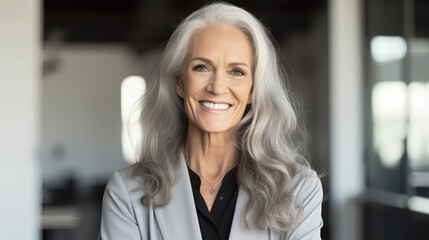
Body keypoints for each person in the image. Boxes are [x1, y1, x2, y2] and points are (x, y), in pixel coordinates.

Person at [99, 2, 323, 240]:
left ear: (253, 90)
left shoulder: (298, 189)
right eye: (201, 67)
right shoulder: (127, 192)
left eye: (236, 71)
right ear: (179, 82)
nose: (217, 87)